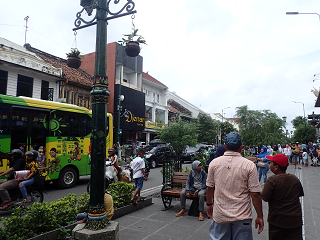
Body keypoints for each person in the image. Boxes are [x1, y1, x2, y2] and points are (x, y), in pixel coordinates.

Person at [206, 132, 264, 240]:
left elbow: (210, 187)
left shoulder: (214, 163)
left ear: (225, 146)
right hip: (242, 216)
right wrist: (260, 215)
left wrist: (209, 204)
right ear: (241, 147)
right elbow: (255, 194)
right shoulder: (249, 165)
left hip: (220, 215)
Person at [261, 154, 303, 240]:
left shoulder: (272, 180)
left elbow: (265, 197)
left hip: (277, 220)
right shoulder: (294, 178)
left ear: (276, 167)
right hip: (295, 219)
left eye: (271, 163)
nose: (269, 165)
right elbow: (299, 194)